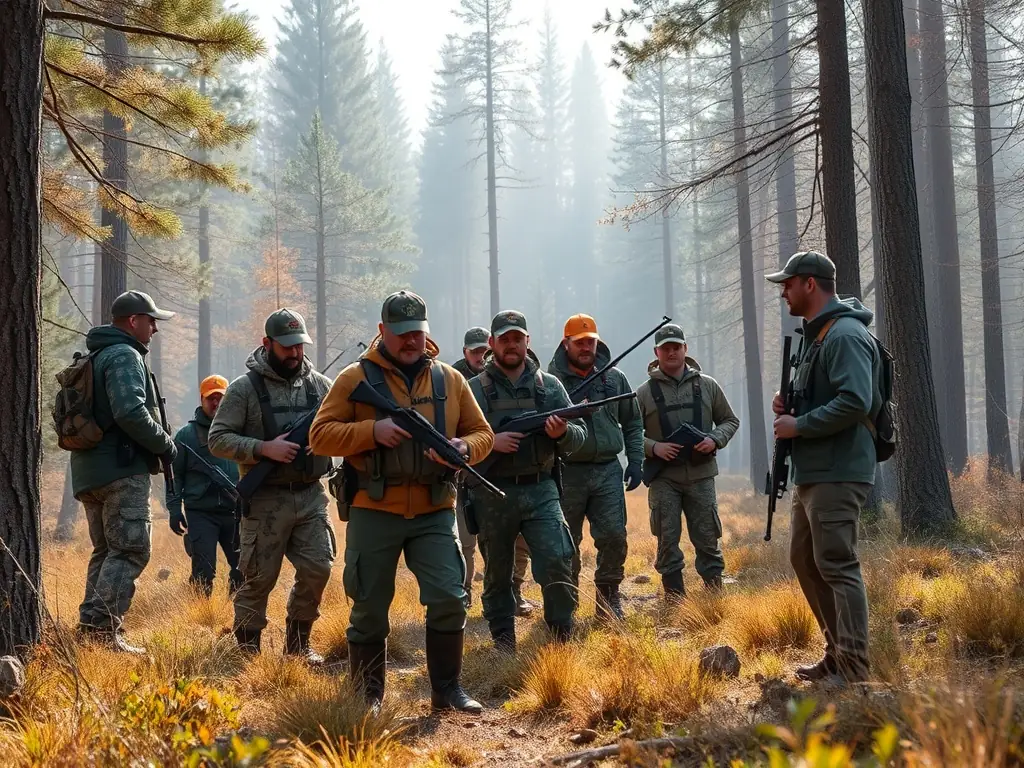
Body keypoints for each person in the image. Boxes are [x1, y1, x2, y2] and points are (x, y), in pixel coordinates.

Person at [308, 291, 494, 714]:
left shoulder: (450, 379)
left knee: (449, 597)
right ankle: (368, 695)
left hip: (434, 509)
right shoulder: (354, 379)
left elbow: (484, 435)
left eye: (418, 333)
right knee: (369, 606)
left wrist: (462, 449)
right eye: (402, 334)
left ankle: (447, 690)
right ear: (382, 332)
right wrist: (372, 432)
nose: (411, 341)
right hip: (375, 509)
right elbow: (319, 436)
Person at [766, 250, 881, 686]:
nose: (784, 292)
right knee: (805, 559)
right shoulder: (820, 335)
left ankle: (853, 667)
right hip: (816, 470)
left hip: (838, 468)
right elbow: (829, 393)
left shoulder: (844, 335)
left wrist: (800, 424)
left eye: (788, 284)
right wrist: (791, 404)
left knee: (836, 562)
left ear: (810, 284)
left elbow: (857, 401)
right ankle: (837, 652)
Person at [208, 309, 335, 665]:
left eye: (300, 345)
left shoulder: (321, 386)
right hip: (265, 498)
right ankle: (247, 655)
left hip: (311, 496)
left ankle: (298, 646)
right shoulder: (243, 389)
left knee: (318, 569)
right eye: (287, 346)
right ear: (267, 344)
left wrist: (325, 442)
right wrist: (263, 448)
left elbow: (343, 429)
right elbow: (217, 439)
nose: (295, 353)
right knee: (258, 578)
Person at [466, 310, 586, 653]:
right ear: (491, 344)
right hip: (492, 491)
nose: (511, 345)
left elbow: (578, 438)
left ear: (527, 342)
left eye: (517, 338)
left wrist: (562, 433)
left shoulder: (549, 387)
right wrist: (492, 444)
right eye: (504, 339)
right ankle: (503, 644)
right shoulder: (474, 390)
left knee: (559, 556)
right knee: (498, 573)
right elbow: (456, 443)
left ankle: (561, 637)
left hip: (541, 487)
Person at [72, 290, 177, 654]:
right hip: (120, 470)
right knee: (130, 550)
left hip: (91, 472)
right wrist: (165, 444)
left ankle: (90, 631)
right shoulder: (124, 355)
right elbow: (130, 411)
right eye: (151, 321)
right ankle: (103, 633)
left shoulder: (99, 354)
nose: (155, 330)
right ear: (133, 321)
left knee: (106, 551)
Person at [547, 314, 644, 620]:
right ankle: (568, 603)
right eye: (579, 343)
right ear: (566, 344)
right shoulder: (551, 383)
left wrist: (637, 459)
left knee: (614, 536)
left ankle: (609, 598)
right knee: (566, 543)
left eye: (590, 341)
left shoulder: (614, 378)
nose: (586, 347)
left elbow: (632, 421)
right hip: (566, 471)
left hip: (607, 470)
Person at [636, 324, 739, 599]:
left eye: (676, 347)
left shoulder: (708, 385)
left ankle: (713, 591)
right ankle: (674, 596)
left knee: (707, 535)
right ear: (656, 352)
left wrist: (714, 439)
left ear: (685, 349)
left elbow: (730, 420)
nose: (671, 352)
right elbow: (631, 434)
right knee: (667, 538)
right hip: (663, 478)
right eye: (665, 348)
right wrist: (655, 448)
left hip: (702, 474)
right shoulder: (643, 393)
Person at [451, 325, 533, 614]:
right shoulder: (452, 381)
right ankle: (464, 596)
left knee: (517, 540)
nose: (480, 356)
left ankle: (514, 591)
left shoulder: (518, 379)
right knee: (466, 541)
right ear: (466, 353)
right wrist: (488, 444)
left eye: (483, 351)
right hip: (464, 475)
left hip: (506, 476)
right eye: (475, 351)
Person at [166, 374, 242, 598]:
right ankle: (199, 619)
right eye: (211, 398)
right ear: (202, 399)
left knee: (243, 568)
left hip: (235, 511)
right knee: (203, 571)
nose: (216, 403)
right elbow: (175, 476)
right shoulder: (186, 436)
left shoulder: (241, 431)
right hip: (200, 514)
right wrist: (173, 510)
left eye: (221, 398)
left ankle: (238, 612)